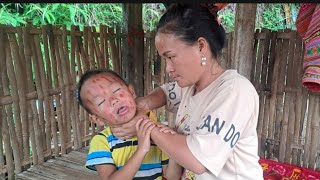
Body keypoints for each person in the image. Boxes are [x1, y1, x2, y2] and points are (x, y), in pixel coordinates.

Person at [112, 3, 264, 180]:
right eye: (164, 59)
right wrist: (144, 103)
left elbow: (197, 160)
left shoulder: (235, 91)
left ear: (201, 46)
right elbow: (166, 93)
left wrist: (144, 125)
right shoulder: (190, 86)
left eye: (171, 57)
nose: (168, 68)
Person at [77, 69, 179, 180]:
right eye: (101, 101)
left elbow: (172, 177)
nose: (114, 100)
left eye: (116, 90)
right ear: (97, 119)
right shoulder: (102, 141)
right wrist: (141, 150)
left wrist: (174, 148)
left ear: (131, 91)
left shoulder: (156, 131)